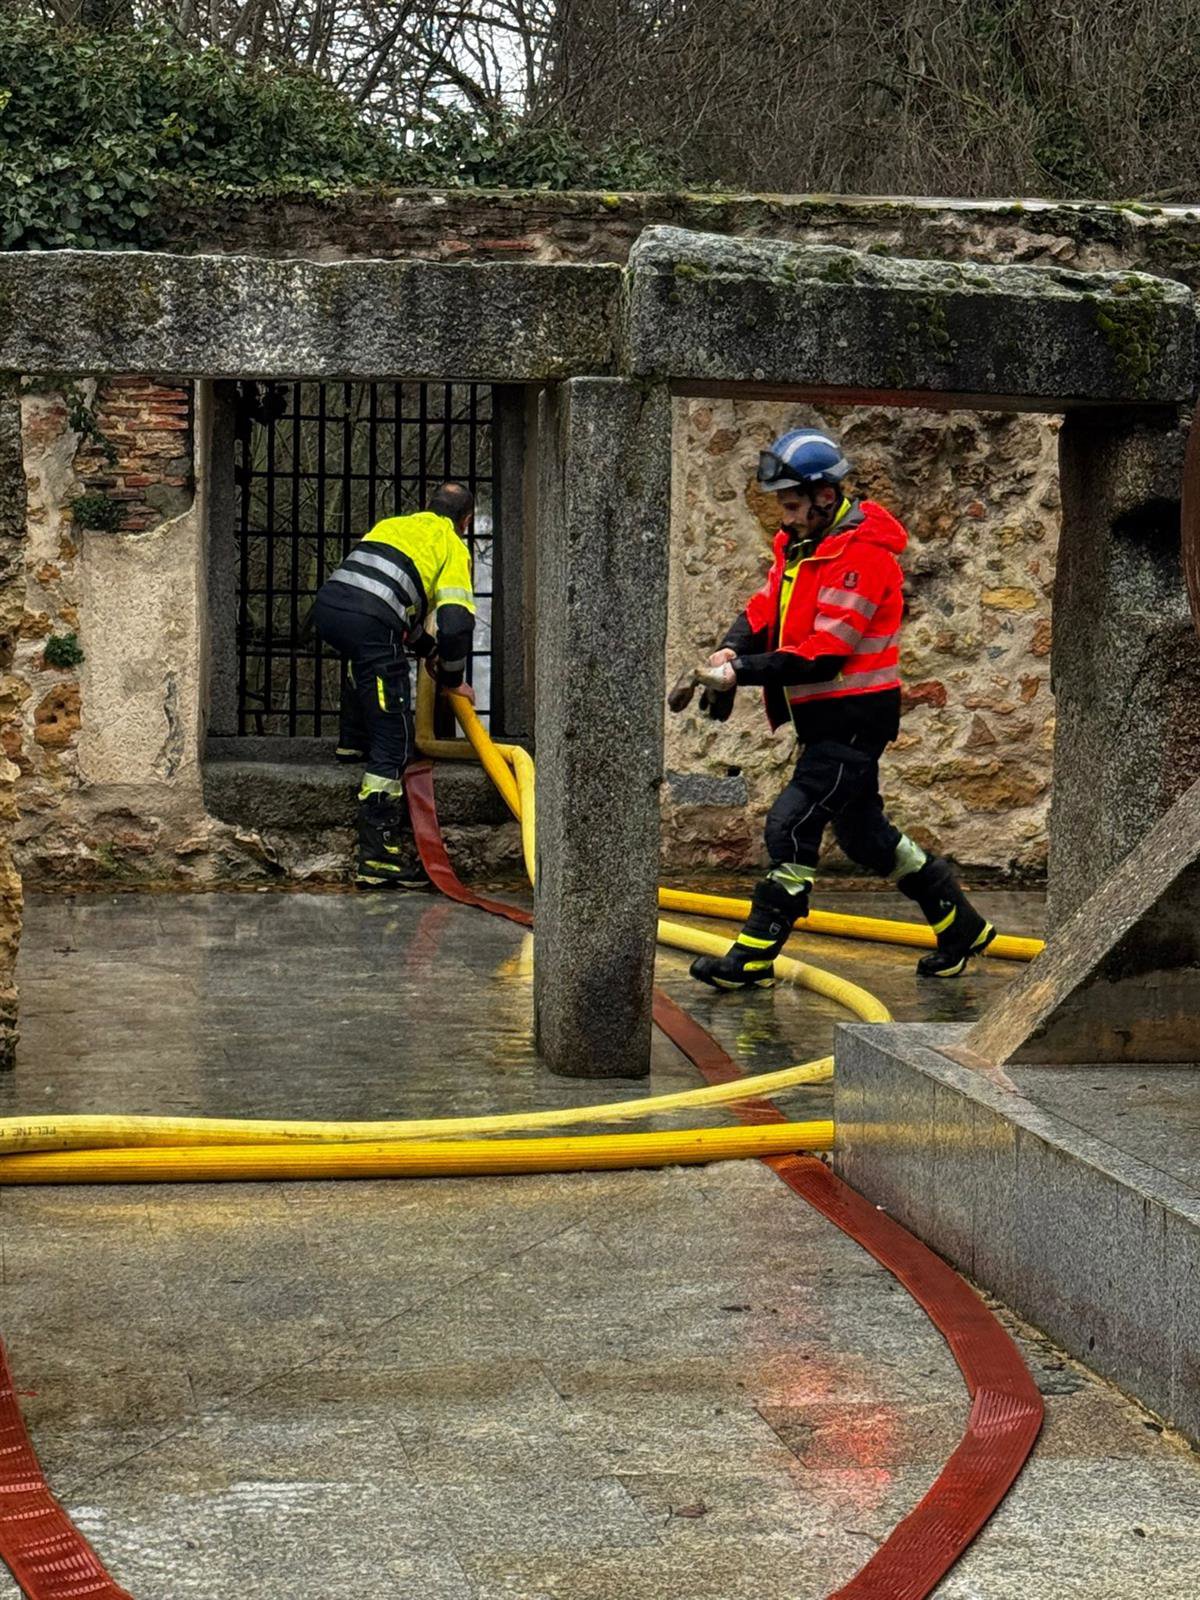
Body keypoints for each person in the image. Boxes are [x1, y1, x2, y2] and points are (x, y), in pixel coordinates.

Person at [682, 427, 996, 985]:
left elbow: (826, 653)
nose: (784, 518)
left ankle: (753, 957)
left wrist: (741, 673)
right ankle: (960, 924)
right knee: (864, 837)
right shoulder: (801, 546)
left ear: (825, 497)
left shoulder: (863, 557)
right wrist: (731, 648)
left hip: (854, 720)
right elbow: (765, 608)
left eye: (792, 505)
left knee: (791, 824)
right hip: (827, 720)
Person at [313, 482, 476, 889]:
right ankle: (377, 858)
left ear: (427, 505)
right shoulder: (452, 545)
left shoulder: (393, 525)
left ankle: (352, 743)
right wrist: (452, 680)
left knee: (366, 663)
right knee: (395, 737)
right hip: (371, 623)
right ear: (466, 521)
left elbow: (387, 596)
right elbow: (457, 623)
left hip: (328, 609)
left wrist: (427, 650)